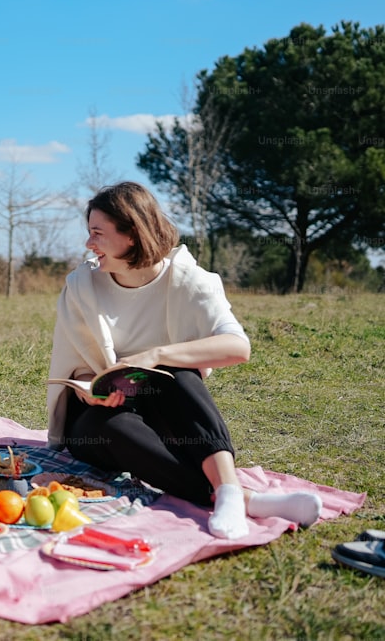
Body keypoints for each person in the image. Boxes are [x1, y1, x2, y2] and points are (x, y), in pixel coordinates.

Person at [46, 181, 322, 540]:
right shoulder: (82, 287)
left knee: (177, 369)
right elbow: (78, 365)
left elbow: (238, 347)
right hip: (98, 422)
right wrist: (88, 391)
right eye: (89, 232)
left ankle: (228, 490)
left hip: (164, 413)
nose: (88, 243)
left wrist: (158, 354)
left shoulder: (187, 279)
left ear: (132, 233)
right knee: (110, 425)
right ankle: (244, 498)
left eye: (97, 233)